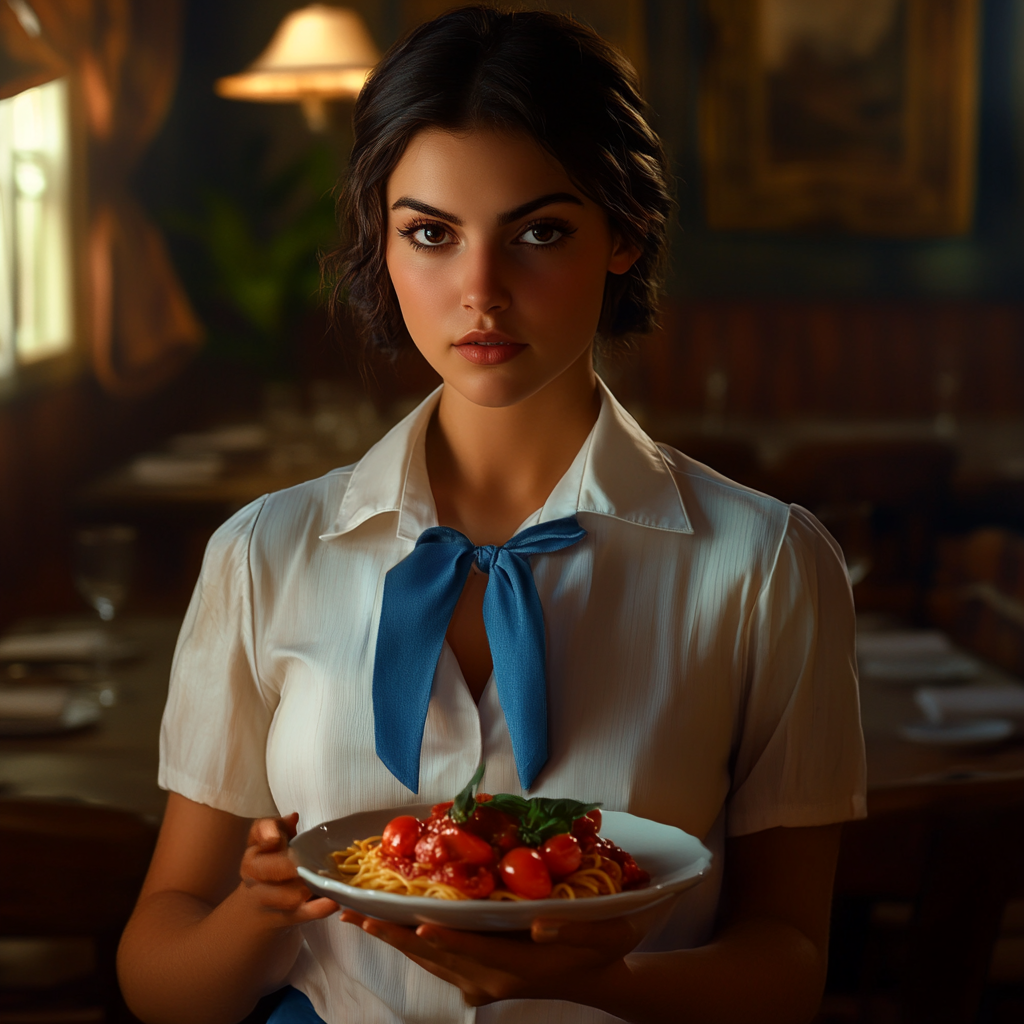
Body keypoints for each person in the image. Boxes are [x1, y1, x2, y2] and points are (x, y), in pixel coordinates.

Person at [117, 7, 866, 1024]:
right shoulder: (263, 554)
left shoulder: (766, 563)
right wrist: (257, 912)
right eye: (430, 233)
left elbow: (788, 964)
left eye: (539, 231)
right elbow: (162, 980)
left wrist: (609, 985)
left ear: (624, 234)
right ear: (381, 245)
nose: (480, 291)